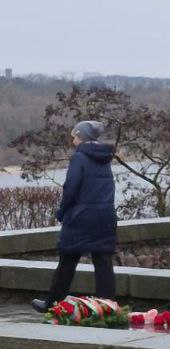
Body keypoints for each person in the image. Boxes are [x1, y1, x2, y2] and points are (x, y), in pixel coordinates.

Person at [32, 121, 117, 313]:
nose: (73, 140)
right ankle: (108, 307)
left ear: (81, 136)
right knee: (103, 264)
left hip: (80, 218)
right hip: (104, 217)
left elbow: (71, 189)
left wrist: (62, 212)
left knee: (67, 262)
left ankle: (52, 303)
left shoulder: (79, 157)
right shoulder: (105, 158)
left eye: (74, 136)